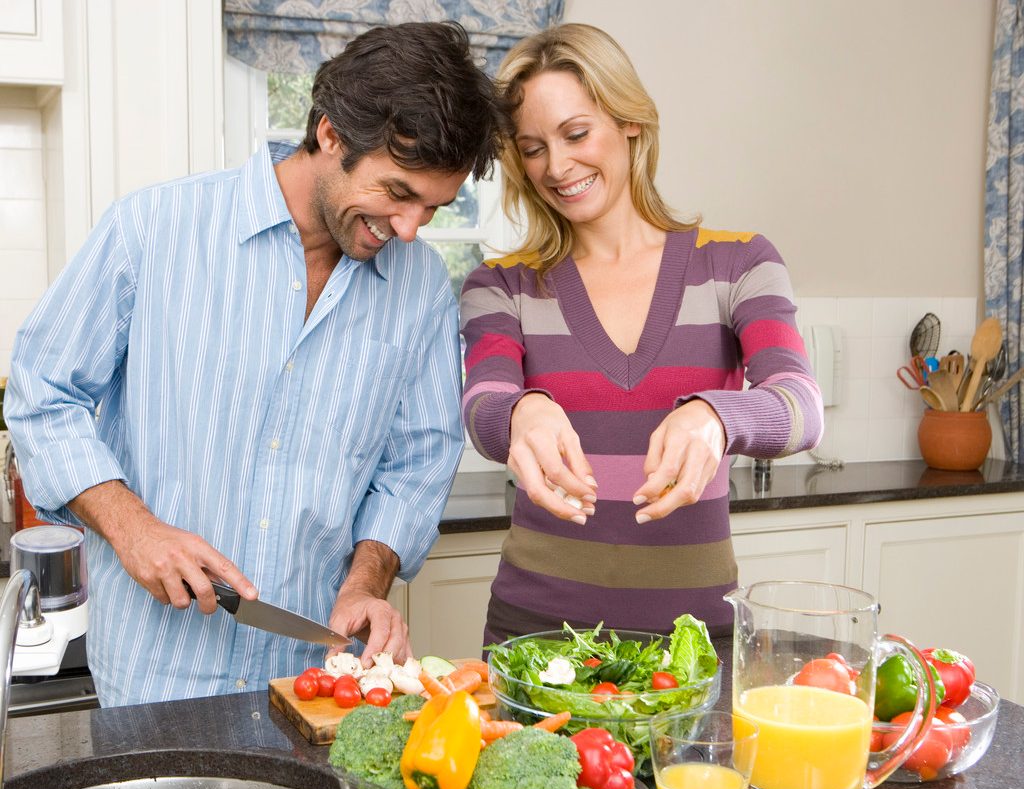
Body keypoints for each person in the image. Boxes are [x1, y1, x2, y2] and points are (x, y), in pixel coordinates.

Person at [6, 22, 502, 706]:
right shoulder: (152, 231)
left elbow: (416, 462)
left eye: (433, 207)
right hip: (156, 676)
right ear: (330, 134)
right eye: (397, 192)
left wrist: (366, 583)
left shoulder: (418, 289)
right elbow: (41, 392)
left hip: (315, 681)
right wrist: (134, 528)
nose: (412, 229)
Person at [460, 23, 823, 645]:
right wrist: (523, 410)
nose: (559, 166)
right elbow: (484, 403)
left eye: (577, 134)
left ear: (630, 121)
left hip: (692, 639)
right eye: (534, 147)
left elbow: (801, 406)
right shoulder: (502, 284)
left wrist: (716, 416)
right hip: (536, 633)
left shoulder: (737, 263)